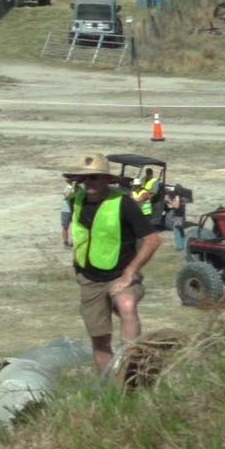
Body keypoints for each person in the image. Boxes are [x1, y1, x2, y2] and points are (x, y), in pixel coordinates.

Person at [62, 154, 162, 374]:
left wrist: (130, 273)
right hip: (89, 280)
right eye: (85, 179)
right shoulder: (76, 200)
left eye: (95, 178)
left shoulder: (124, 204)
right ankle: (112, 386)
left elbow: (152, 240)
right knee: (100, 340)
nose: (89, 183)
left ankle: (131, 365)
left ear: (107, 180)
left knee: (126, 304)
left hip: (121, 275)